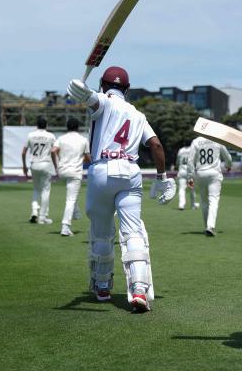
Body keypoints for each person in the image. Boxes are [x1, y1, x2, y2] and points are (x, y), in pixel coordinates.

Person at [67, 66, 176, 312]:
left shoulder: (103, 101)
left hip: (102, 169)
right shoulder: (137, 114)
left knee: (102, 233)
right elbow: (156, 145)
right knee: (133, 232)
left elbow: (93, 101)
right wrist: (162, 177)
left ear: (103, 85)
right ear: (127, 89)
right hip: (130, 171)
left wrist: (82, 92)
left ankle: (103, 286)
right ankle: (139, 288)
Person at [187, 136, 232, 236]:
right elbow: (227, 156)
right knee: (213, 200)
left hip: (201, 173)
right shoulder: (217, 140)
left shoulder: (196, 141)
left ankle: (206, 226)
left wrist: (190, 177)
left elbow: (190, 160)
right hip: (214, 173)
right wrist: (228, 165)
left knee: (204, 201)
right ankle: (210, 226)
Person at [53, 117, 90, 236]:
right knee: (71, 199)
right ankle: (65, 226)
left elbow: (53, 151)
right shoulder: (83, 140)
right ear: (78, 127)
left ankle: (75, 212)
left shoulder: (61, 138)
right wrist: (83, 160)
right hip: (75, 172)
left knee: (72, 195)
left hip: (62, 171)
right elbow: (88, 158)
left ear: (67, 127)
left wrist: (56, 166)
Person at [21, 116, 58, 225]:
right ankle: (43, 217)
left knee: (36, 189)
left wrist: (24, 166)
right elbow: (54, 151)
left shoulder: (30, 135)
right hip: (46, 164)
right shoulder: (51, 136)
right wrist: (56, 166)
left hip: (34, 164)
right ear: (46, 125)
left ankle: (34, 211)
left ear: (36, 125)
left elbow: (23, 152)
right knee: (46, 190)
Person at [176, 144, 198, 210]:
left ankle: (181, 205)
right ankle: (193, 205)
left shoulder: (181, 150)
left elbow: (177, 162)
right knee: (191, 189)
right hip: (190, 174)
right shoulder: (192, 150)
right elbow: (196, 161)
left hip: (182, 173)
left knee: (181, 189)